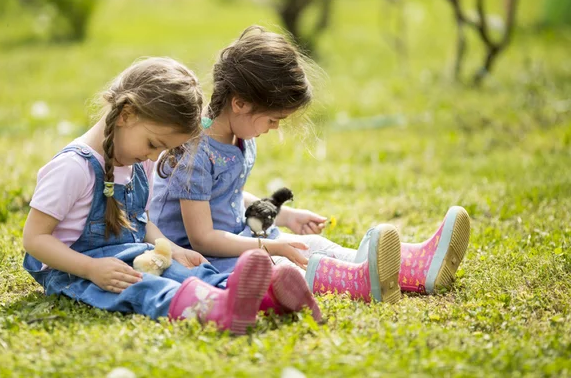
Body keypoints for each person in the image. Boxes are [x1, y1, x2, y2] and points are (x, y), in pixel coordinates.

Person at [151, 26, 472, 304]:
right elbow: (202, 238)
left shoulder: (235, 137)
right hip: (200, 257)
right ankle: (359, 281)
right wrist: (274, 244)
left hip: (233, 240)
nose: (275, 127)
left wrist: (285, 215)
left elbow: (227, 196)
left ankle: (416, 267)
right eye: (273, 119)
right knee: (284, 265)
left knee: (310, 244)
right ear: (240, 103)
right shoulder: (194, 156)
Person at [22, 57, 320, 335]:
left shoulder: (140, 161)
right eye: (153, 144)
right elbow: (35, 241)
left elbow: (140, 221)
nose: (152, 156)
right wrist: (90, 268)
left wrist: (170, 248)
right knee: (144, 286)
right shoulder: (73, 168)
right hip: (74, 269)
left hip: (131, 253)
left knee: (187, 268)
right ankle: (217, 310)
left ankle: (264, 296)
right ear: (126, 114)